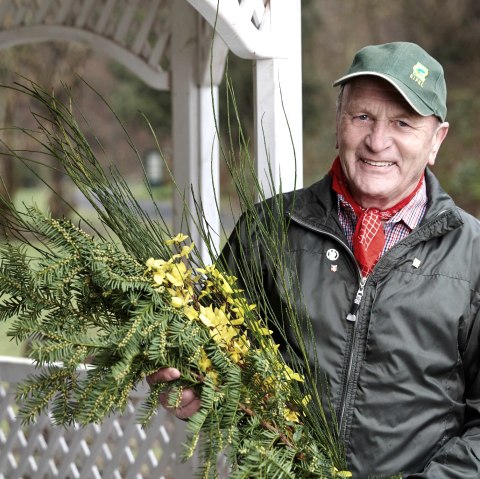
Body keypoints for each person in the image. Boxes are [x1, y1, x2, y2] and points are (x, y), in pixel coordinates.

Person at [147, 42, 480, 478]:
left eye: (403, 123)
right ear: (338, 121)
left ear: (436, 140)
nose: (378, 142)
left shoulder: (472, 255)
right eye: (362, 117)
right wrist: (188, 384)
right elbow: (212, 355)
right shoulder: (267, 228)